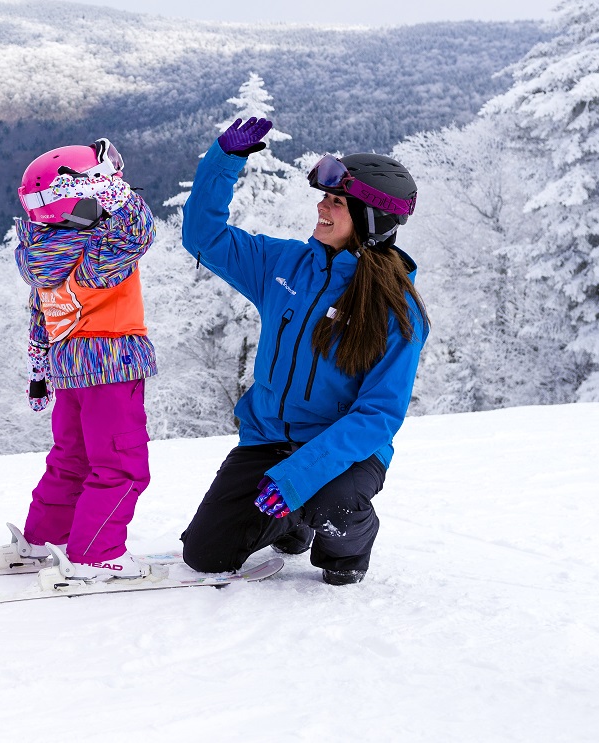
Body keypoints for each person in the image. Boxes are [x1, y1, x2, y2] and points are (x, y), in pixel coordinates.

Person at [178, 117, 429, 585]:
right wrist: (223, 160)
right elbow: (202, 237)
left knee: (331, 506)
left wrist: (297, 477)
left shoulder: (397, 311)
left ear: (370, 220)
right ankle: (292, 521)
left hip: (344, 454)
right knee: (205, 554)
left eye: (337, 202)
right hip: (268, 439)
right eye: (325, 197)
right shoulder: (285, 265)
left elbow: (378, 415)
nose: (322, 207)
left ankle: (346, 544)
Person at [2, 139, 158, 581]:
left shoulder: (47, 254)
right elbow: (138, 231)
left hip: (70, 371)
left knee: (73, 458)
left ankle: (40, 541)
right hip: (111, 367)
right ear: (85, 198)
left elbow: (41, 318)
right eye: (102, 189)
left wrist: (40, 371)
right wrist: (113, 190)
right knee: (121, 463)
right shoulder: (95, 255)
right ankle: (97, 552)